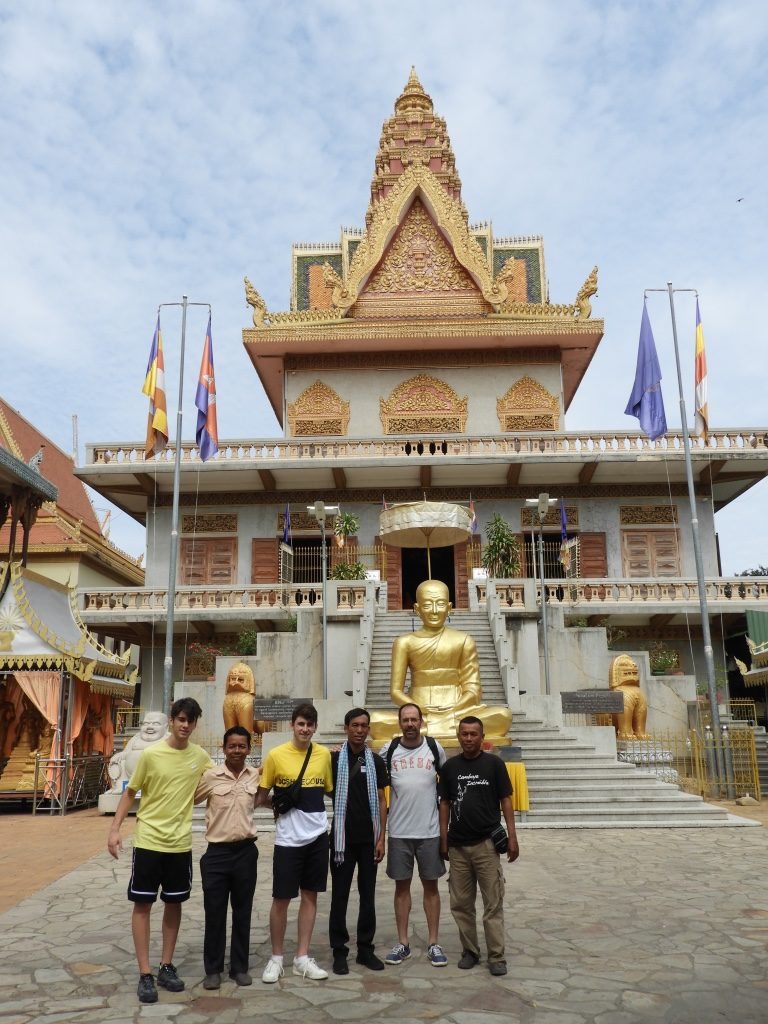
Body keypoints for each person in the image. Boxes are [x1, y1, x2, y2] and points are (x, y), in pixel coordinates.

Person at [107, 697, 212, 1005]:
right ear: (171, 719)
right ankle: (144, 972)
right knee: (142, 904)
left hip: (179, 843)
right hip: (149, 841)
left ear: (195, 724)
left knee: (174, 903)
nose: (184, 725)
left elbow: (221, 777)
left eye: (189, 721)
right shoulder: (151, 755)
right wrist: (114, 830)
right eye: (180, 719)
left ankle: (166, 965)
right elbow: (129, 793)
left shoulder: (200, 756)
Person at [369, 579, 512, 741]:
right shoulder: (404, 642)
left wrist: (453, 708)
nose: (435, 611)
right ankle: (452, 730)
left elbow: (473, 689)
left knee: (503, 715)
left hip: (457, 710)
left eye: (441, 604)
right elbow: (396, 692)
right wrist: (418, 710)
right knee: (375, 721)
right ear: (417, 609)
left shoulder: (463, 640)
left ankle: (425, 731)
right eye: (428, 605)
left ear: (449, 608)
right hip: (419, 714)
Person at [255, 702, 333, 983]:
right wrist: (279, 806)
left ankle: (302, 956)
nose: (305, 729)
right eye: (301, 724)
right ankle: (276, 958)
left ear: (315, 727)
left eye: (310, 725)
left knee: (310, 896)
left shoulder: (323, 755)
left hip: (317, 837)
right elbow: (261, 796)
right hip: (288, 839)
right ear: (292, 725)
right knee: (281, 899)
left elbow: (328, 790)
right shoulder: (276, 755)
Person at [438, 715, 519, 977]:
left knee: (493, 901)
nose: (469, 738)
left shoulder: (494, 764)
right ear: (458, 736)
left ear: (482, 737)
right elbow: (445, 804)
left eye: (474, 734)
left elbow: (505, 799)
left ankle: (496, 955)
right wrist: (443, 838)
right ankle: (470, 951)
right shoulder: (450, 767)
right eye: (464, 734)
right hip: (458, 846)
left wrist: (513, 835)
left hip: (486, 845)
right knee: (461, 903)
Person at [379, 702, 448, 968]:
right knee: (401, 887)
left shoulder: (433, 748)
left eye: (414, 719)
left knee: (431, 886)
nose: (409, 724)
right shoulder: (390, 750)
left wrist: (444, 833)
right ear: (399, 723)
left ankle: (433, 942)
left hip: (429, 831)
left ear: (421, 722)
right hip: (399, 831)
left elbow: (446, 784)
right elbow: (377, 784)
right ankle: (403, 942)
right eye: (405, 720)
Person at [195, 726, 260, 990]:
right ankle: (213, 969)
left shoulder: (254, 775)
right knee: (215, 913)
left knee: (243, 912)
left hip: (246, 852)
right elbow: (189, 798)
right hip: (217, 854)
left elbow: (264, 798)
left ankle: (239, 967)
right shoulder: (211, 777)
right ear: (223, 749)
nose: (236, 751)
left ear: (248, 749)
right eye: (232, 746)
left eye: (241, 746)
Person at [329, 707, 388, 975]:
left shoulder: (376, 762)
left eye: (364, 725)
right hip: (341, 840)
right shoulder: (332, 759)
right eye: (355, 725)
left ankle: (365, 948)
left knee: (368, 895)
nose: (360, 730)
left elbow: (382, 799)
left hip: (368, 839)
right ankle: (339, 950)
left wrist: (381, 838)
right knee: (339, 896)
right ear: (346, 728)